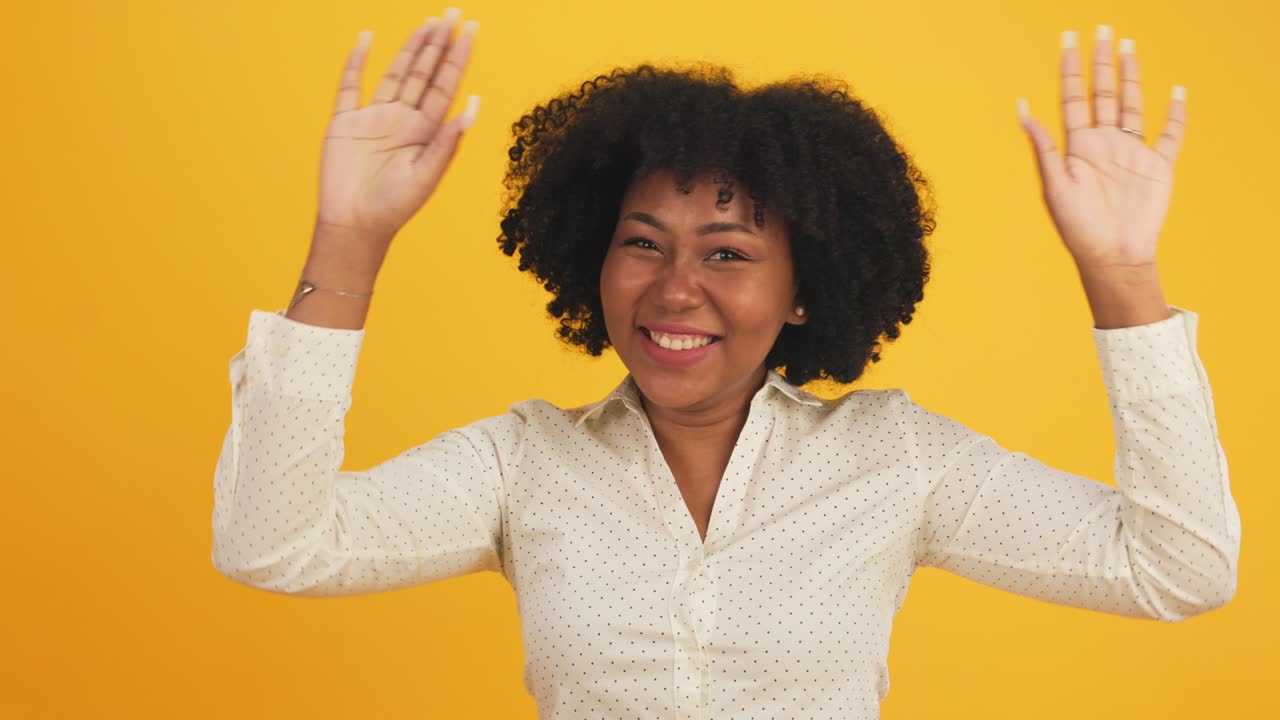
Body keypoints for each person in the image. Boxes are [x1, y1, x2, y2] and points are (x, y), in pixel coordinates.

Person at [210, 8, 1241, 718]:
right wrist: (348, 239)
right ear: (594, 258)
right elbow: (274, 544)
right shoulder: (519, 463)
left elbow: (1176, 567)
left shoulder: (897, 459)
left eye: (729, 253)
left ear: (802, 291)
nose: (673, 289)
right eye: (641, 241)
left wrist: (1120, 272)